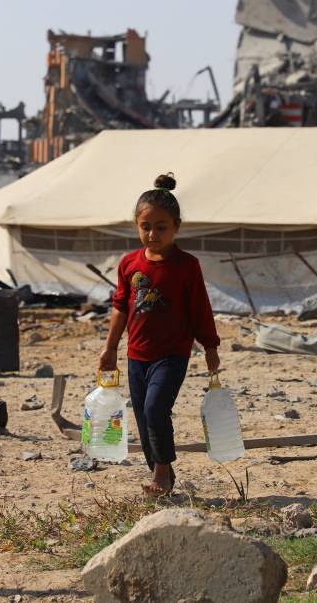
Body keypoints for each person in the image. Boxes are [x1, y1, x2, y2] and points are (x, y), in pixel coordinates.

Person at [98, 173, 220, 496]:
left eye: (161, 227)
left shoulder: (186, 266)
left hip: (172, 354)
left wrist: (210, 345)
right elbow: (121, 306)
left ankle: (162, 472)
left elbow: (200, 309)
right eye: (145, 227)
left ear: (176, 226)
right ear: (137, 225)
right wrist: (110, 348)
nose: (152, 234)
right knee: (141, 416)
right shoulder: (128, 264)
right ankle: (160, 470)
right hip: (137, 354)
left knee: (155, 408)